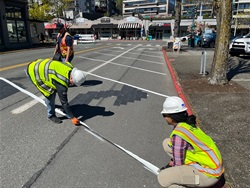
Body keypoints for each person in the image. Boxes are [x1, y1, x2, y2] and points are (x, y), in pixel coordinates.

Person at [157, 96, 224, 188]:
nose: (164, 118)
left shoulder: (179, 135)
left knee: (163, 178)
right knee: (167, 143)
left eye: (165, 115)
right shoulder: (187, 124)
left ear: (171, 117)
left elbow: (178, 164)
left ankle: (194, 183)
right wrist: (170, 164)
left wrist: (170, 172)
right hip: (212, 166)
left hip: (209, 176)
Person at [27, 58, 86, 125]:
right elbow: (64, 102)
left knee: (54, 89)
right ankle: (51, 115)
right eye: (74, 83)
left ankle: (51, 105)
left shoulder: (70, 67)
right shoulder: (61, 83)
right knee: (50, 94)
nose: (73, 84)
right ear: (72, 78)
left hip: (38, 64)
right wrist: (72, 117)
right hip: (34, 72)